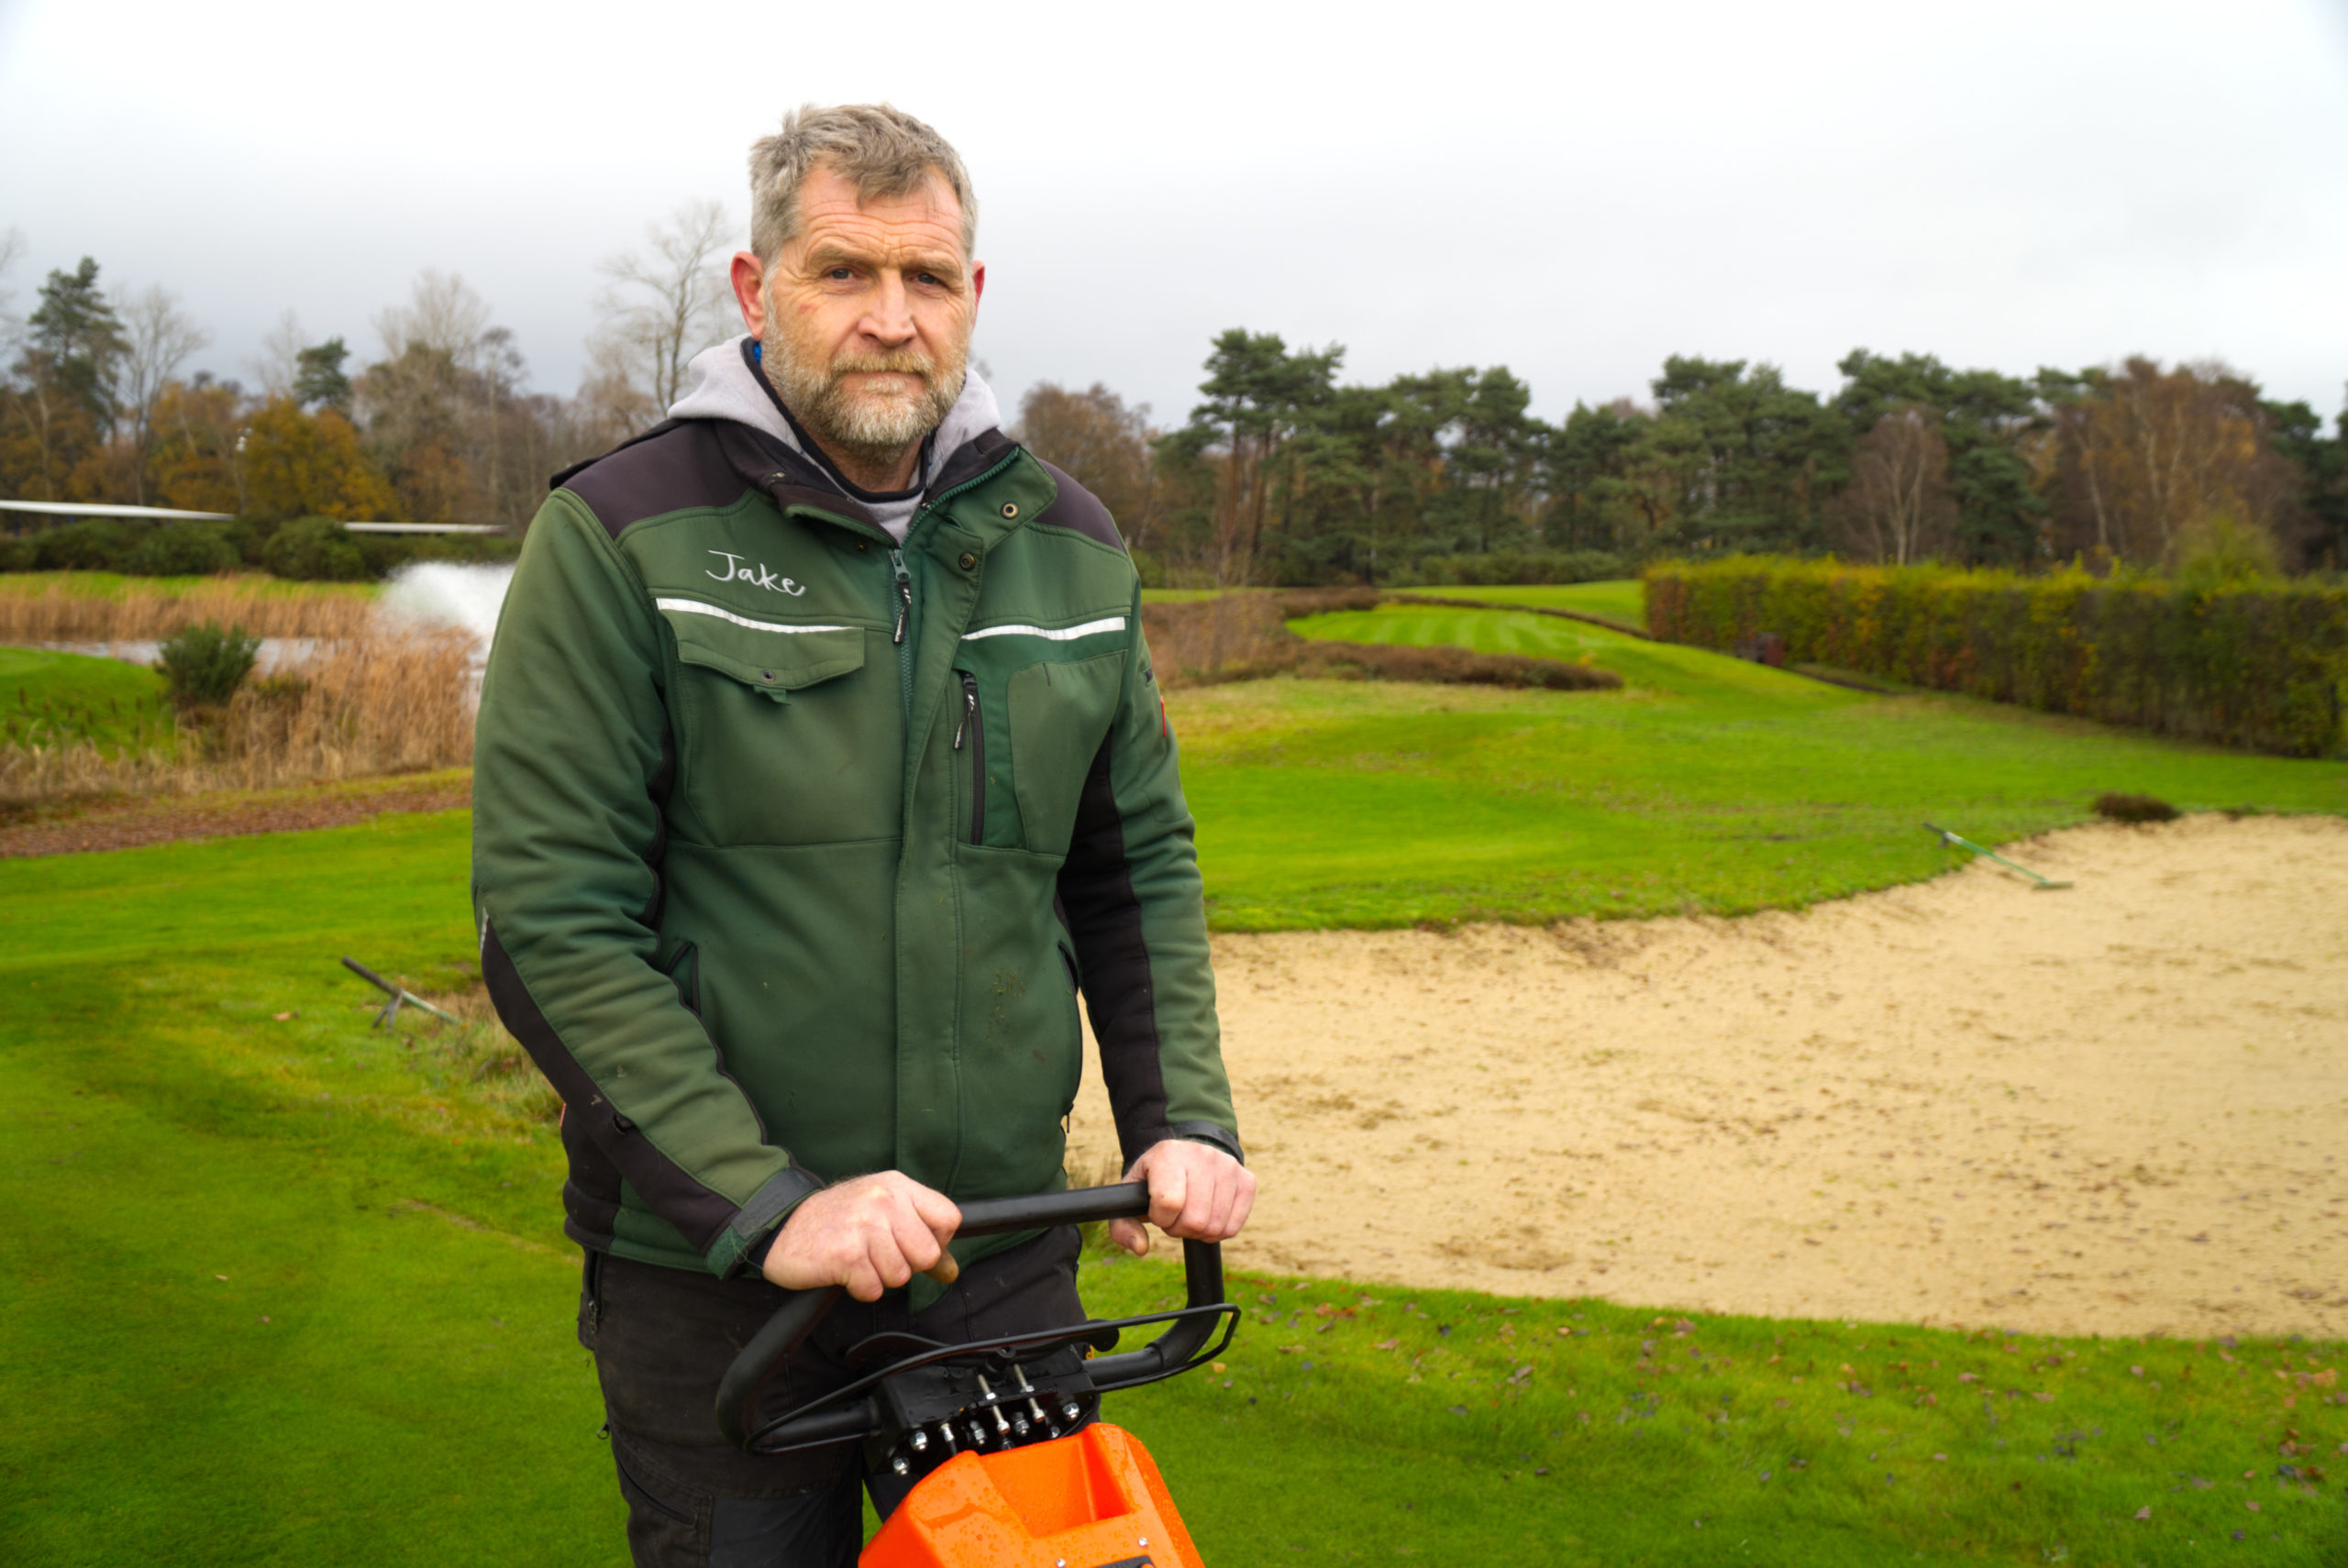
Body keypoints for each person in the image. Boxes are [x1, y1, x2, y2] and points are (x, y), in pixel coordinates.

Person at [471, 103, 1253, 1566]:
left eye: (928, 279)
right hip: (728, 1284)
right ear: (757, 291)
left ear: (973, 297)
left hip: (1005, 1256)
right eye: (844, 272)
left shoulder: (1070, 541)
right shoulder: (622, 531)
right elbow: (551, 915)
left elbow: (1130, 862)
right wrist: (770, 1203)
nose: (891, 319)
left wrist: (1181, 1115)